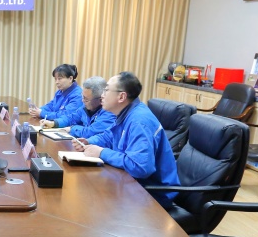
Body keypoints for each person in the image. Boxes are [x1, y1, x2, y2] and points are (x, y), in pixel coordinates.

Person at [73, 72, 179, 208]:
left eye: (106, 90)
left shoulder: (139, 121)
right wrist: (89, 142)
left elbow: (140, 168)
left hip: (153, 193)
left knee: (92, 203)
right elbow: (108, 136)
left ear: (121, 96)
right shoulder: (125, 113)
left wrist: (101, 152)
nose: (102, 95)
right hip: (131, 182)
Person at [40, 76, 115, 139]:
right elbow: (71, 118)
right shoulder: (85, 107)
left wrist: (72, 129)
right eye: (82, 97)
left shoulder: (109, 112)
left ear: (100, 99)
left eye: (86, 99)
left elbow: (90, 132)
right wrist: (54, 123)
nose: (82, 100)